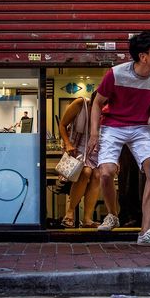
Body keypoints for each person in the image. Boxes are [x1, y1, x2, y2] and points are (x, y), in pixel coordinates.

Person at [87, 30, 150, 247]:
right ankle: (113, 215)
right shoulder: (116, 74)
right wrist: (94, 134)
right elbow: (97, 103)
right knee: (106, 172)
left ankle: (146, 232)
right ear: (144, 56)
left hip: (140, 128)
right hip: (113, 126)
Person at [58, 92, 101, 228]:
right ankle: (70, 213)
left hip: (95, 147)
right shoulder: (80, 104)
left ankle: (87, 219)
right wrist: (67, 144)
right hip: (76, 146)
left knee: (97, 175)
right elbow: (62, 125)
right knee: (86, 172)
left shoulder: (107, 109)